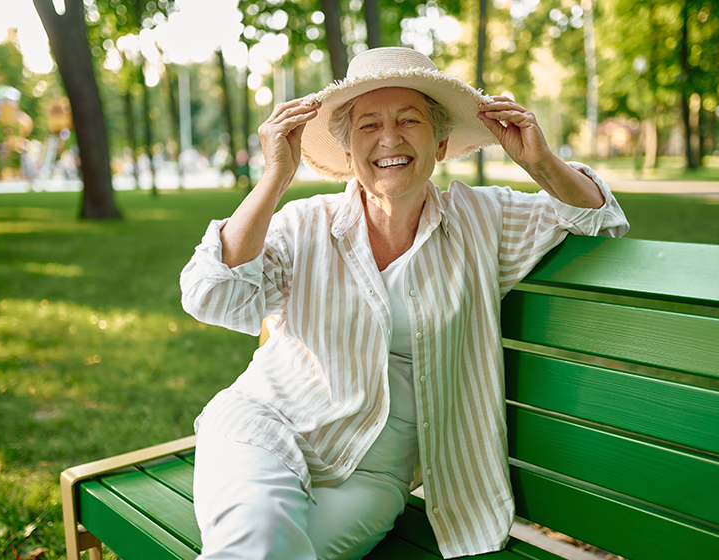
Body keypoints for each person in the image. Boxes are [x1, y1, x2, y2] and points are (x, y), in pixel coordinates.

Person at [180, 47, 628, 560]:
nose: (389, 138)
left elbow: (600, 219)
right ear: (348, 154)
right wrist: (275, 178)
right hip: (265, 429)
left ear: (440, 143)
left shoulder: (483, 219)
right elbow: (211, 295)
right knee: (255, 546)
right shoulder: (305, 223)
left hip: (373, 473)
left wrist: (540, 162)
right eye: (368, 125)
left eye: (408, 120)